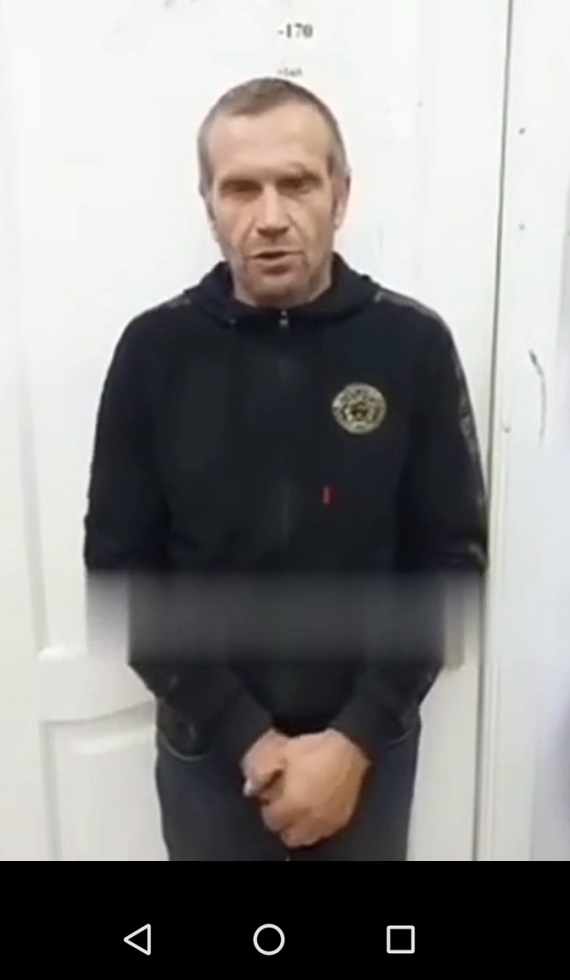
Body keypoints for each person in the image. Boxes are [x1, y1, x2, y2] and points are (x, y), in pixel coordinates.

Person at [83, 76, 488, 861]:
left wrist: (354, 740)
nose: (270, 217)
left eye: (297, 183)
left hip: (367, 751)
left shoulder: (412, 347)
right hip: (209, 752)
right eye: (240, 189)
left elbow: (450, 561)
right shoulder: (155, 353)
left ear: (341, 194)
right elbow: (122, 572)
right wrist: (245, 736)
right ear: (208, 204)